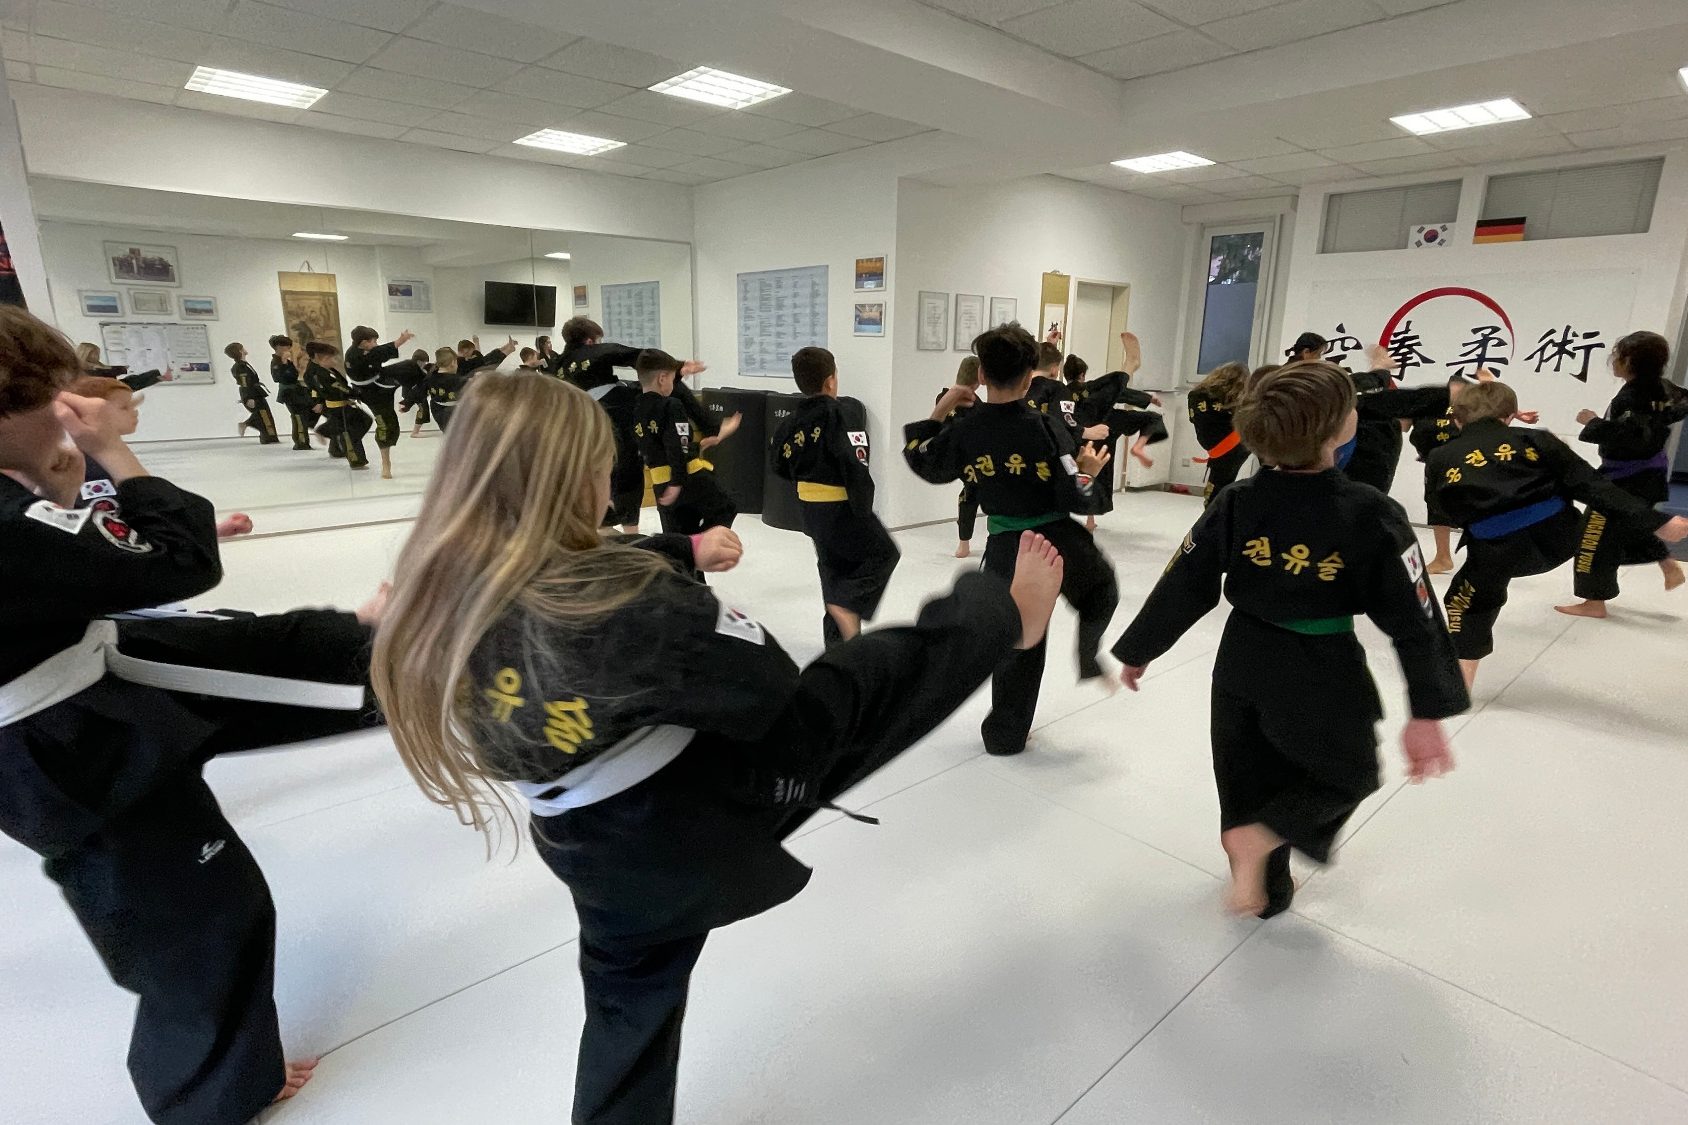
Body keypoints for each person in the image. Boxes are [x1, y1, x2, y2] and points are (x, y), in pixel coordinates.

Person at [369, 370, 1066, 1125]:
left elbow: (584, 578)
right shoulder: (631, 596)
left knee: (627, 1005)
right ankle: (999, 618)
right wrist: (685, 588)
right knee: (854, 685)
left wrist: (681, 549)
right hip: (686, 822)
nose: (610, 484)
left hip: (586, 845)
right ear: (575, 480)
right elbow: (770, 688)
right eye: (603, 467)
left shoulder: (432, 595)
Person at [0, 306, 386, 1125]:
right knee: (196, 911)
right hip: (55, 740)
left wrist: (60, 484)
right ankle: (207, 1094)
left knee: (273, 647)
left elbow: (95, 564)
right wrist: (110, 453)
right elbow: (178, 562)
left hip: (77, 681)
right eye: (46, 402)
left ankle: (391, 655)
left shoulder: (14, 503)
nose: (65, 415)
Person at [1112, 361, 1468, 918]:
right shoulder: (1371, 513)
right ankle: (1261, 838)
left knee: (1246, 777)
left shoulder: (1237, 499)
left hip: (1241, 657)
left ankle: (1262, 887)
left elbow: (1186, 577)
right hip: (1320, 665)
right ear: (1341, 428)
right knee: (1348, 773)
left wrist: (1140, 648)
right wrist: (1428, 709)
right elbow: (1415, 615)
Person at [904, 322, 1114, 757]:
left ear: (981, 374)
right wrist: (1088, 473)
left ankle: (1005, 735)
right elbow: (1073, 494)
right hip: (1057, 540)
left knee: (1019, 637)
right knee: (1100, 590)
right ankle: (1088, 654)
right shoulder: (1045, 427)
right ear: (1030, 377)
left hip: (1007, 545)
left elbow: (926, 462)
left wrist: (944, 406)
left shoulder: (966, 429)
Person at [1426, 380, 1688, 689]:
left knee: (1464, 601)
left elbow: (1444, 510)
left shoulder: (1440, 456)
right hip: (1560, 537)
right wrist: (1657, 521)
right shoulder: (1536, 439)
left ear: (1458, 419)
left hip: (1499, 551)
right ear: (1509, 416)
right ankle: (1653, 556)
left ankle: (1460, 686)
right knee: (1598, 523)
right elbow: (1592, 485)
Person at [770, 346, 900, 645]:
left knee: (833, 572)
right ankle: (846, 605)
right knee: (883, 554)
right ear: (830, 381)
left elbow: (778, 464)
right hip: (842, 507)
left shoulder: (790, 421)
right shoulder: (842, 414)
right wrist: (863, 509)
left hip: (810, 511)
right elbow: (856, 463)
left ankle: (839, 648)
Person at [1555, 330, 1688, 618]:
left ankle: (1593, 602)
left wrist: (1592, 422)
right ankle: (1667, 563)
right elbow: (1677, 408)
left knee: (1593, 535)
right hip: (1650, 474)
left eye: (1616, 356)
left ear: (1628, 361)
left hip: (1626, 477)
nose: (1613, 360)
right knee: (1628, 523)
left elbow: (1631, 436)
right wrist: (1662, 419)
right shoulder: (1662, 388)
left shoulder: (1632, 397)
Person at [558, 316, 709, 535]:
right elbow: (637, 356)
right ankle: (631, 533)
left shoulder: (557, 363)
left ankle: (606, 525)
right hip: (614, 409)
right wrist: (677, 366)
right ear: (590, 341)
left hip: (583, 419)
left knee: (605, 470)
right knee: (629, 466)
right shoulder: (593, 352)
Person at [1065, 332, 1167, 529]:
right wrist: (1147, 398)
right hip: (1105, 426)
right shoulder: (1089, 388)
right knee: (1152, 418)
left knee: (1086, 472)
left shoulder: (1062, 391)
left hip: (1079, 435)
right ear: (1082, 374)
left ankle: (1089, 519)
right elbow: (1117, 393)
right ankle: (1139, 446)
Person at [634, 348, 738, 538]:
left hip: (660, 484)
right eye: (673, 378)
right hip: (688, 479)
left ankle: (691, 546)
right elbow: (677, 446)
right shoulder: (671, 405)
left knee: (677, 539)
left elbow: (655, 446)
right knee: (726, 506)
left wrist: (699, 446)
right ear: (662, 378)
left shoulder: (635, 407)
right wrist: (677, 482)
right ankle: (701, 544)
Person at [344, 325, 419, 480]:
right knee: (387, 425)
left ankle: (413, 395)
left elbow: (378, 352)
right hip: (373, 392)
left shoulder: (363, 351)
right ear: (363, 342)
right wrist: (400, 341)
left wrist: (400, 341)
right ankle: (386, 463)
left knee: (411, 366)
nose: (376, 344)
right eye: (373, 341)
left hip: (379, 380)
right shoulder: (355, 356)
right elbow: (379, 352)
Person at [1187, 361, 1250, 507]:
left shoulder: (1195, 394)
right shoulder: (1238, 398)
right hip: (1236, 445)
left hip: (1216, 447)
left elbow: (1193, 419)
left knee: (1217, 485)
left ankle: (1214, 511)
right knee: (1221, 484)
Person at [422, 340, 516, 432]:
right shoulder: (457, 367)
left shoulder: (472, 358)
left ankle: (509, 349)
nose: (467, 354)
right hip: (450, 408)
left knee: (486, 363)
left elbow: (485, 359)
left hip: (444, 406)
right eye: (465, 352)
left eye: (469, 351)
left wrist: (506, 348)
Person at [304, 341, 371, 469]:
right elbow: (318, 389)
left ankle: (336, 446)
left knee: (350, 427)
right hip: (336, 406)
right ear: (319, 357)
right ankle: (328, 433)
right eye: (331, 358)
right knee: (352, 429)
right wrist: (317, 402)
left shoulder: (327, 370)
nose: (334, 361)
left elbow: (341, 384)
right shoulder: (316, 373)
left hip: (340, 404)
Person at [946, 355, 981, 559]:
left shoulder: (944, 397)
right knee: (969, 496)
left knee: (968, 496)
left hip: (960, 456)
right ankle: (964, 543)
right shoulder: (975, 405)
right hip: (972, 458)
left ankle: (964, 543)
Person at [223, 342, 279, 445]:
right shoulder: (239, 367)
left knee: (263, 413)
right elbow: (245, 383)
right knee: (262, 414)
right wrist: (248, 397)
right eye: (242, 347)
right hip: (252, 393)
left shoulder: (244, 364)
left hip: (255, 391)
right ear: (240, 351)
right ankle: (266, 436)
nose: (245, 348)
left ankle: (268, 436)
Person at [269, 334, 316, 451]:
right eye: (286, 346)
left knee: (303, 414)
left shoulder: (287, 361)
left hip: (296, 390)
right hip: (288, 393)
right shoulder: (276, 362)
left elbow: (294, 375)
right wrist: (284, 363)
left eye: (289, 346)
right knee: (298, 417)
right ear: (278, 347)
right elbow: (277, 378)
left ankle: (303, 440)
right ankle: (301, 442)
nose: (288, 349)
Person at [402, 347, 434, 436]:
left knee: (423, 409)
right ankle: (415, 432)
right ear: (418, 361)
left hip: (417, 393)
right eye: (424, 362)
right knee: (423, 410)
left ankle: (415, 431)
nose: (425, 364)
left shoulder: (422, 368)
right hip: (412, 393)